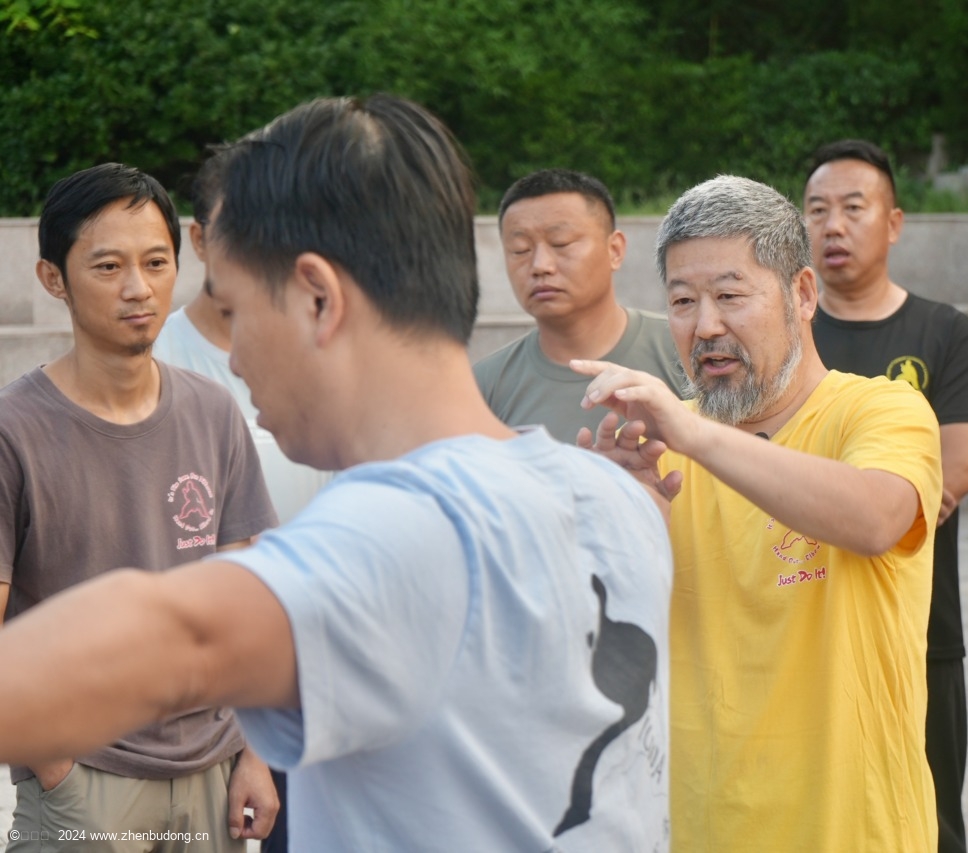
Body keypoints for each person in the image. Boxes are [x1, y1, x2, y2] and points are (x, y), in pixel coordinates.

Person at [0, 95, 673, 853]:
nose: (234, 358)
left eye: (237, 311)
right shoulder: (618, 498)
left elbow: (172, 641)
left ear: (318, 298)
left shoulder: (380, 545)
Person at [574, 175, 943, 851]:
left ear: (802, 294)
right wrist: (617, 515)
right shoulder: (658, 444)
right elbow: (596, 642)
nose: (705, 326)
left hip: (849, 829)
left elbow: (875, 518)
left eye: (730, 295)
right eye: (682, 301)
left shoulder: (880, 409)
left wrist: (695, 435)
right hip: (696, 826)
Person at [0, 163, 280, 851]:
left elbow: (245, 602)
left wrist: (255, 752)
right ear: (52, 279)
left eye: (156, 263)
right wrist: (58, 771)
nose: (138, 288)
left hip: (213, 774)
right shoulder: (12, 430)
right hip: (83, 780)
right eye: (108, 266)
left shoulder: (213, 412)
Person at [803, 139, 968, 853]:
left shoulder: (945, 333)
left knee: (928, 820)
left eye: (853, 208)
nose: (833, 225)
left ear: (893, 222)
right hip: (798, 623)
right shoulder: (785, 338)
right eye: (817, 210)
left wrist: (836, 500)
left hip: (918, 630)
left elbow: (950, 475)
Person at [152, 155, 332, 853]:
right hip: (207, 684)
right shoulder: (158, 359)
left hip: (319, 668)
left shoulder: (323, 345)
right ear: (198, 240)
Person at [474, 168, 683, 441]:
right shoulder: (483, 387)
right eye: (520, 250)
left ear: (615, 250)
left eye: (561, 243)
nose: (540, 265)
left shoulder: (686, 349)